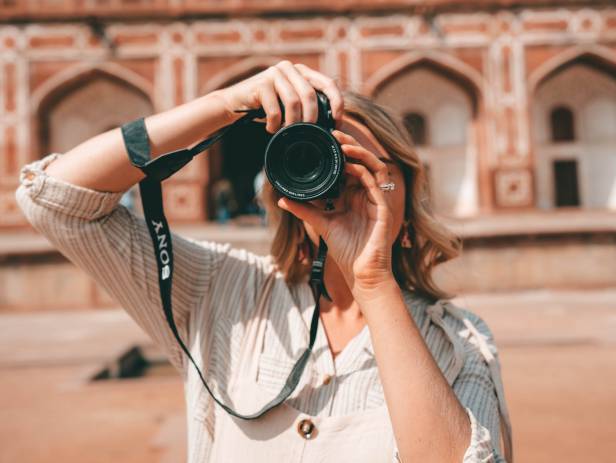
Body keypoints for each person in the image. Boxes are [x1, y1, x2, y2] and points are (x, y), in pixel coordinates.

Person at [15, 60, 513, 462]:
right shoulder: (221, 292)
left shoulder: (460, 342)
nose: (339, 178)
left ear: (404, 187)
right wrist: (222, 105)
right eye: (318, 160)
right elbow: (54, 199)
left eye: (362, 165)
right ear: (283, 188)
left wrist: (374, 282)